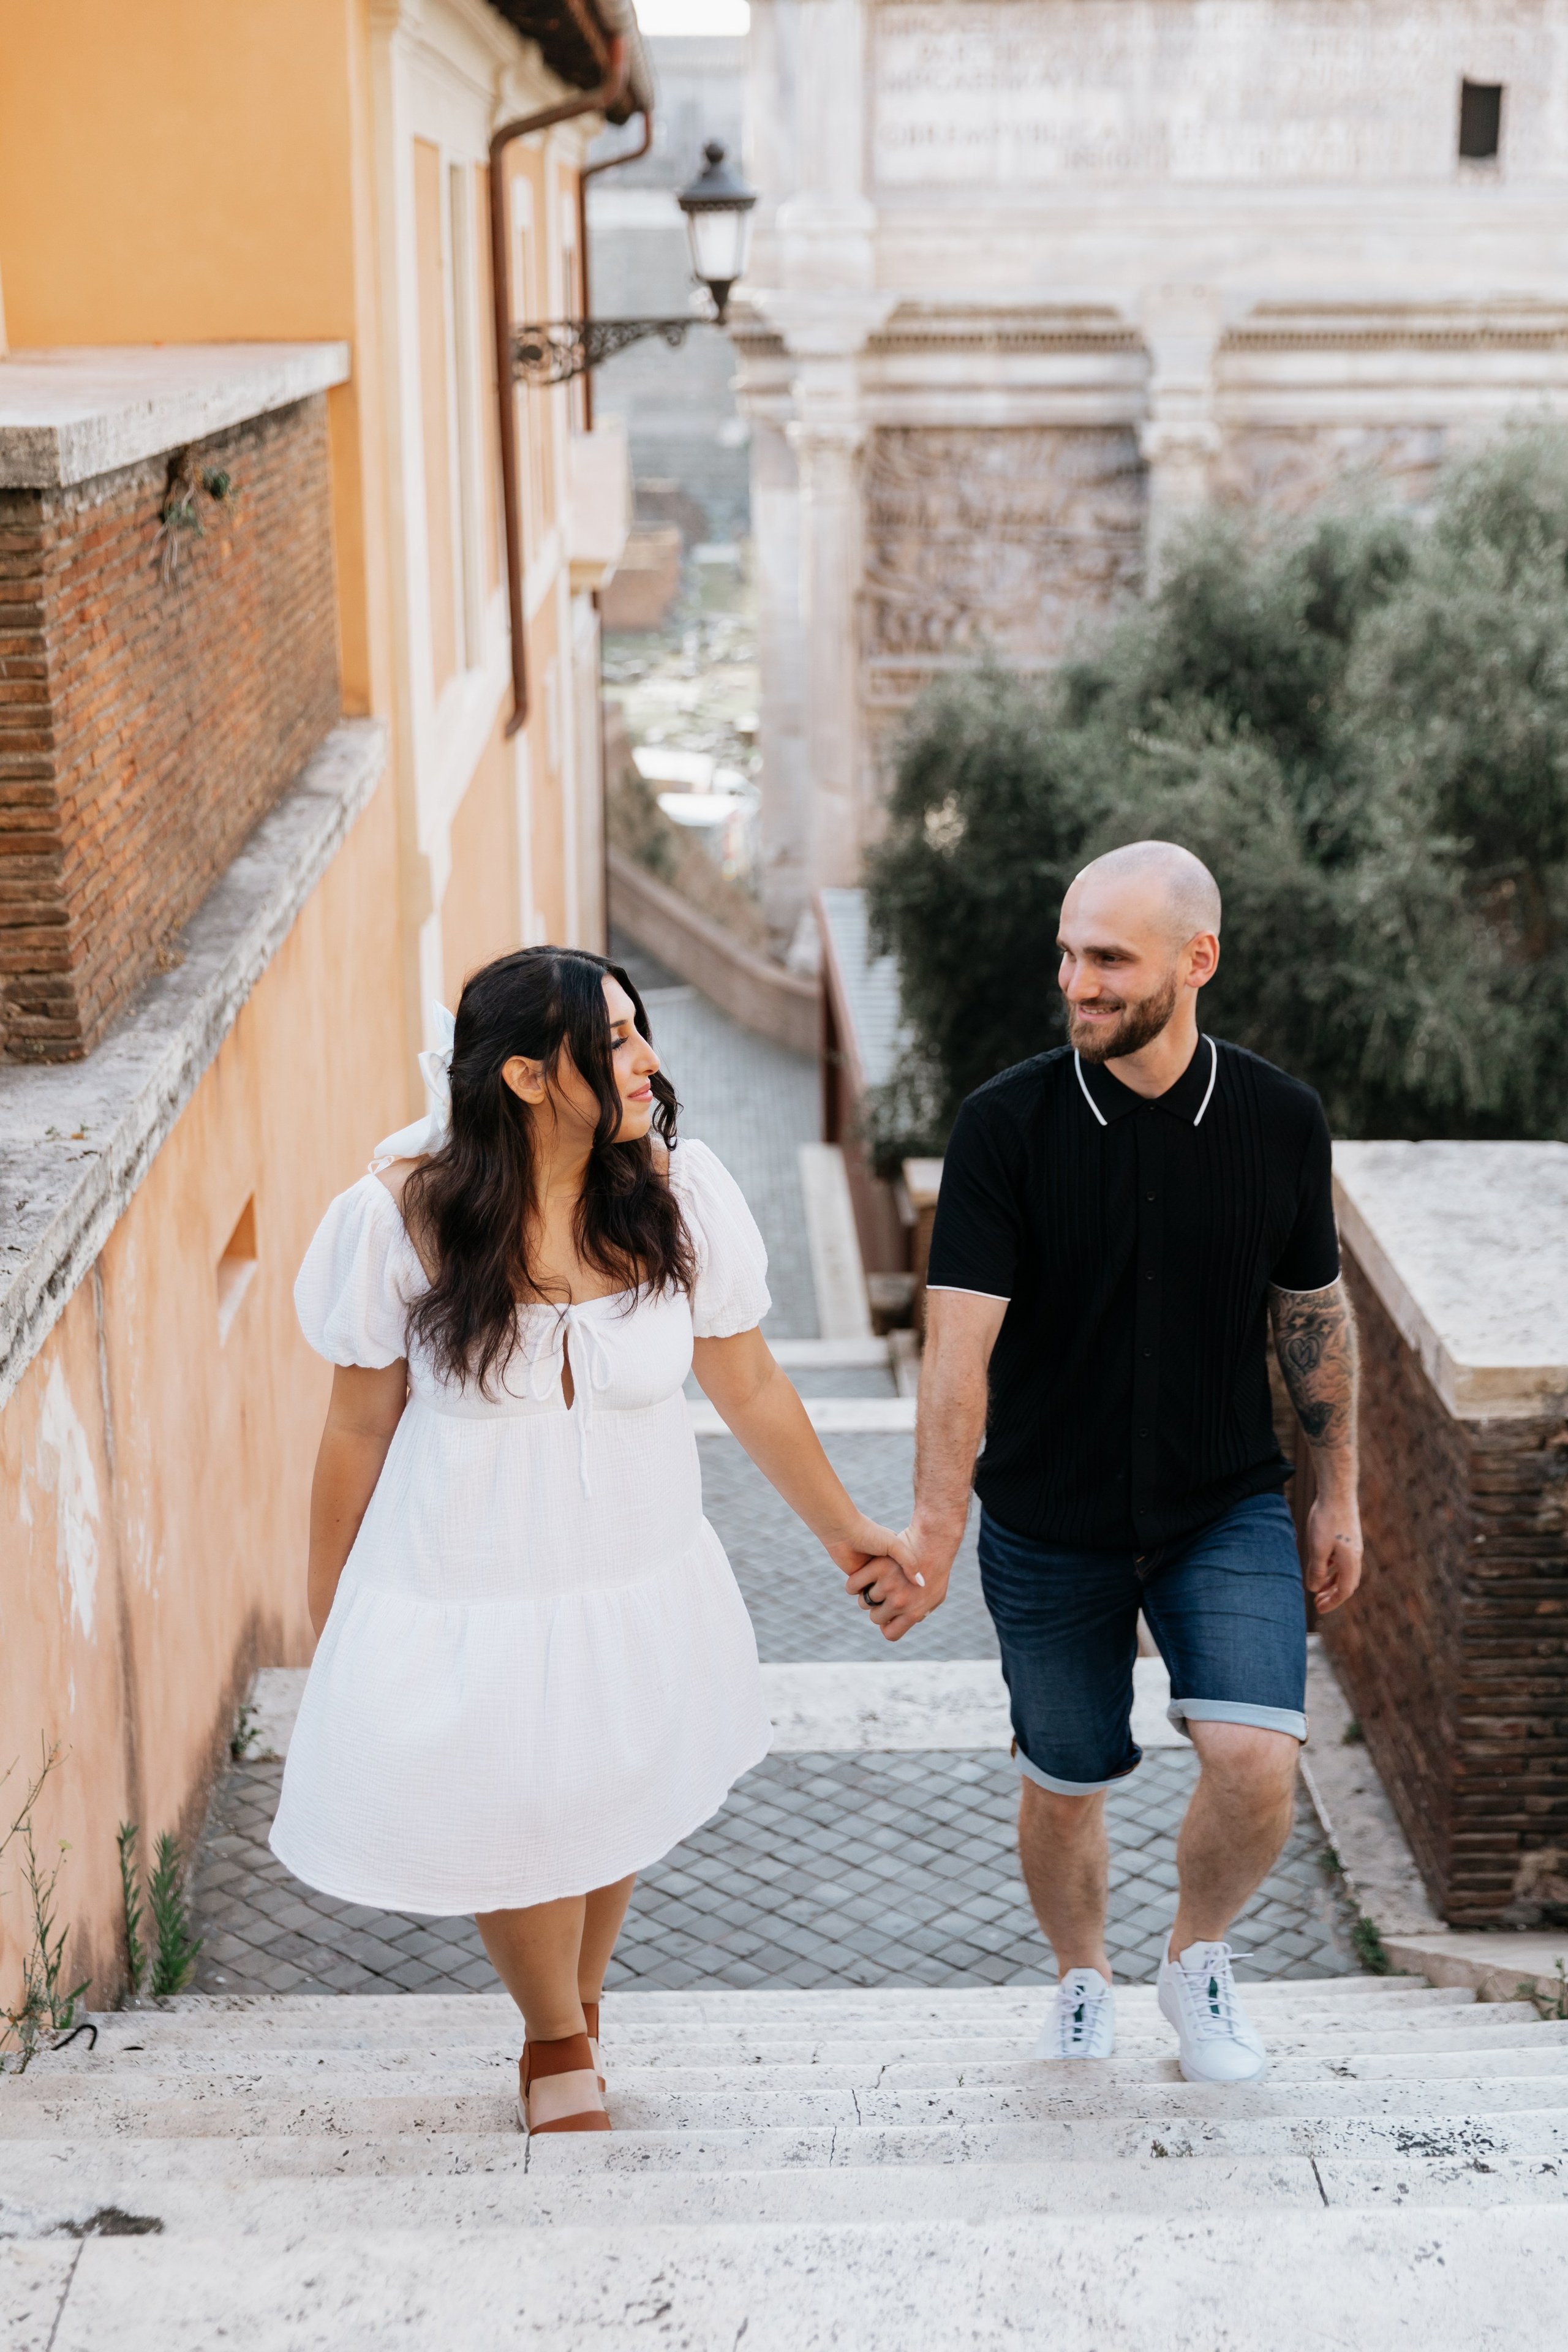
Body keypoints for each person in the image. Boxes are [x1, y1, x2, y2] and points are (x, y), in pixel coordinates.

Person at [271, 946, 902, 2133]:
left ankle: (581, 2002)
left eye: (635, 1030)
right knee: (514, 1802)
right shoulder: (398, 1215)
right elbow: (356, 1425)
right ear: (521, 1074)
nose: (646, 1061)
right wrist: (332, 1614)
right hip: (467, 1576)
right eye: (611, 1040)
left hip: (635, 1561)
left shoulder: (674, 1193)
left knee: (607, 1784)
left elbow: (752, 1384)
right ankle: (552, 2033)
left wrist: (843, 1530)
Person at [855, 842, 1361, 2082]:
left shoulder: (1278, 1121)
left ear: (1196, 962)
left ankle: (1193, 1961)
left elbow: (1312, 1311)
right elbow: (956, 1358)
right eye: (1068, 953)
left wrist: (1335, 1492)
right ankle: (1081, 1977)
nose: (1074, 983)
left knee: (1255, 1761)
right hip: (1045, 1518)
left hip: (1220, 1504)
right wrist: (934, 1533)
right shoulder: (1004, 1127)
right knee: (1063, 1777)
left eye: (1107, 960)